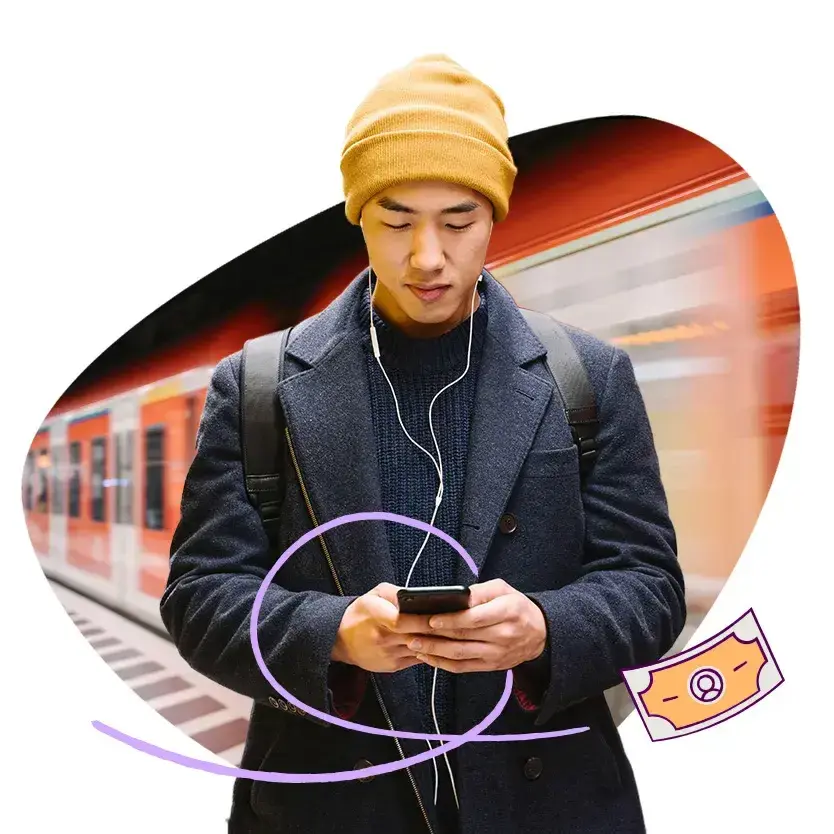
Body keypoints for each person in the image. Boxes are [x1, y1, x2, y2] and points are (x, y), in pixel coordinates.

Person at [160, 54, 686, 834]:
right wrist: (332, 634)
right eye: (397, 221)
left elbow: (650, 587)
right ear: (359, 217)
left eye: (459, 221)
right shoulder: (260, 384)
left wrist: (545, 627)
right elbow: (200, 598)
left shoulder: (588, 377)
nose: (428, 256)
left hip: (546, 802)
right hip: (330, 805)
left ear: (496, 216)